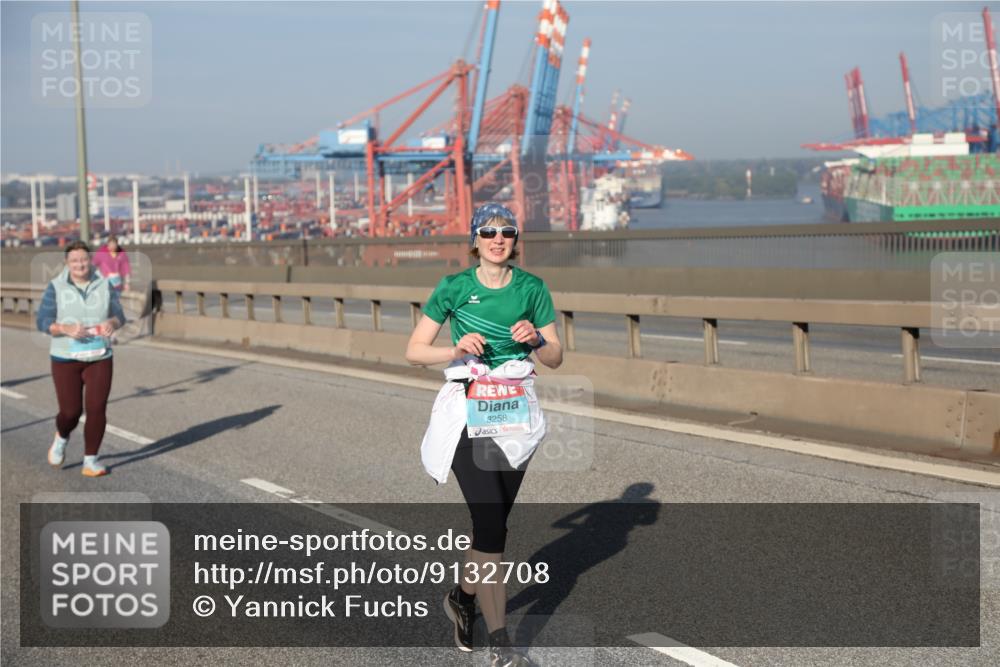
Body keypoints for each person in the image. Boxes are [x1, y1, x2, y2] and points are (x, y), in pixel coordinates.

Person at [406, 202, 563, 666]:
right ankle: (503, 645)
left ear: (516, 240)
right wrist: (453, 348)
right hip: (467, 418)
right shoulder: (454, 287)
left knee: (488, 531)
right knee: (493, 527)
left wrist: (536, 339)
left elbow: (556, 358)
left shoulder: (533, 289)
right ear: (475, 239)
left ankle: (461, 596)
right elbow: (414, 351)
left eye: (507, 231)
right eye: (488, 231)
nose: (498, 239)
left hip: (514, 416)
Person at [36, 240, 126, 477]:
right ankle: (62, 436)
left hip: (99, 355)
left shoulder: (105, 284)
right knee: (71, 412)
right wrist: (64, 328)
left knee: (96, 408)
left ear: (90, 260)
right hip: (65, 357)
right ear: (67, 263)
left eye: (83, 259)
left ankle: (91, 461)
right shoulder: (55, 287)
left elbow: (119, 315)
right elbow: (42, 321)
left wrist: (111, 323)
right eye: (74, 260)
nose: (80, 264)